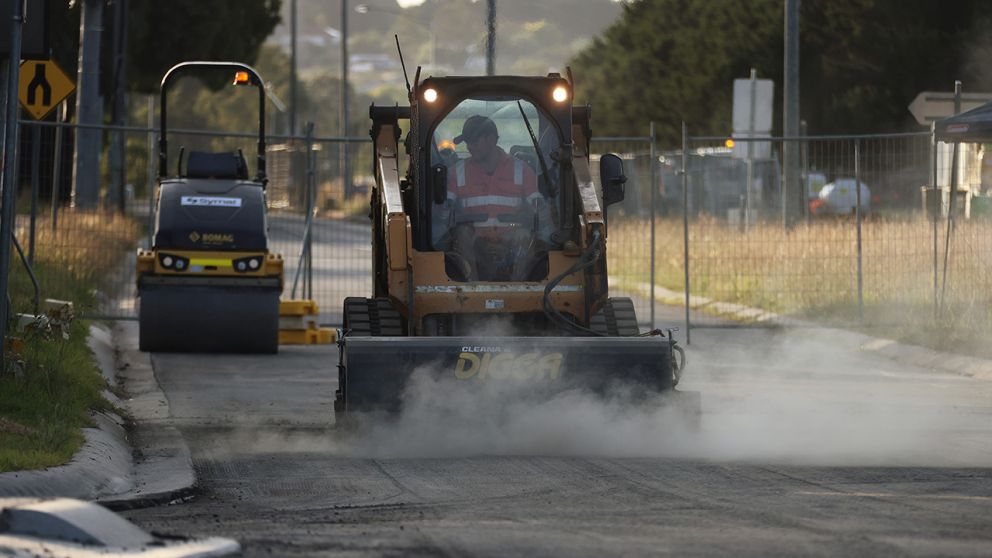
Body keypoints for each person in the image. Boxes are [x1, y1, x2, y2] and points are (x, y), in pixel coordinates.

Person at [435, 115, 552, 281]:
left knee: (525, 235)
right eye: (467, 142)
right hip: (474, 242)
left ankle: (518, 290)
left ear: (491, 140)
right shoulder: (456, 173)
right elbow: (443, 211)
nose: (469, 147)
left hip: (511, 240)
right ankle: (471, 291)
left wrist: (548, 236)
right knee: (461, 234)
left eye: (474, 141)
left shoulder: (521, 170)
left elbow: (538, 206)